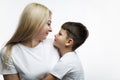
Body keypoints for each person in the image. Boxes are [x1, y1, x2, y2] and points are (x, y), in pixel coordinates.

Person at [0, 3, 60, 80]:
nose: (51, 29)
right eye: (48, 23)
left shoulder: (56, 44)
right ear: (34, 23)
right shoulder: (8, 52)